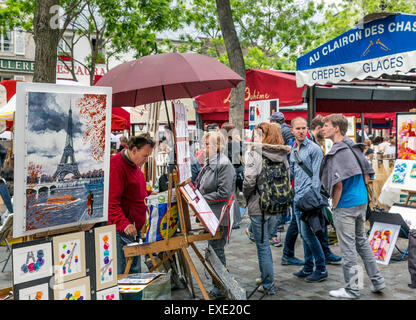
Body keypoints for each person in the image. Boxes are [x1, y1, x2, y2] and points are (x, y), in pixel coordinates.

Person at [320, 114, 385, 299]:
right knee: (362, 243)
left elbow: (337, 184)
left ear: (337, 128)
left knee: (348, 249)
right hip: (361, 201)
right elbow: (367, 174)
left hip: (346, 204)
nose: (323, 129)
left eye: (326, 125)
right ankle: (377, 280)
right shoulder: (353, 146)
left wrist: (335, 205)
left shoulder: (338, 151)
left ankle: (352, 289)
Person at [243, 122, 292, 295]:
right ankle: (266, 276)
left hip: (259, 206)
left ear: (265, 136)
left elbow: (249, 181)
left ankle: (268, 284)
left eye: (257, 134)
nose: (254, 137)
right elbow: (288, 176)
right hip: (278, 205)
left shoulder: (255, 153)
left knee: (262, 246)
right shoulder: (283, 154)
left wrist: (246, 197)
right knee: (265, 245)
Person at [108, 134, 155, 299]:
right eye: (145, 156)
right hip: (123, 232)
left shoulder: (134, 163)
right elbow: (111, 203)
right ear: (133, 150)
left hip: (133, 230)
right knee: (126, 276)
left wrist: (150, 193)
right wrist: (124, 224)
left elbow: (135, 190)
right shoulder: (117, 166)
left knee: (134, 275)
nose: (146, 160)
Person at [194, 131, 237, 299]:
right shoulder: (210, 162)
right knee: (214, 249)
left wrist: (200, 198)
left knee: (216, 250)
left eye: (206, 144)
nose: (203, 148)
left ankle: (220, 286)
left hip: (220, 216)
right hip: (211, 214)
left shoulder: (223, 164)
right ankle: (219, 284)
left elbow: (224, 193)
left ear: (216, 146)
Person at [290, 117, 328, 283]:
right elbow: (293, 173)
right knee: (304, 235)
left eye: (304, 128)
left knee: (309, 236)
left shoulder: (314, 149)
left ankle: (321, 268)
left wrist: (312, 199)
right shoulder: (293, 150)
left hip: (309, 199)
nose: (301, 131)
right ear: (292, 130)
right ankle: (307, 267)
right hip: (297, 198)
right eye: (298, 128)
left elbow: (317, 177)